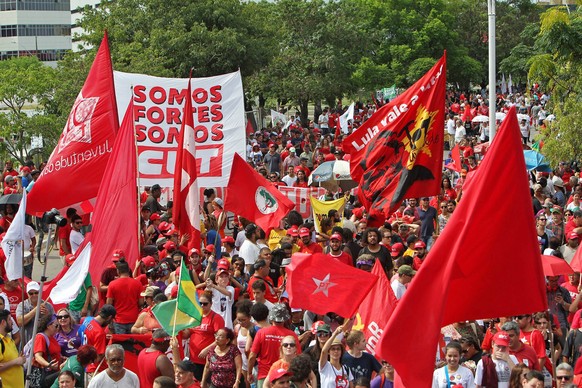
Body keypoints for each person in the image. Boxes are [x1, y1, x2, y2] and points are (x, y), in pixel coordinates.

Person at [248, 304, 300, 387]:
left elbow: (252, 356)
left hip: (264, 376)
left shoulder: (262, 332)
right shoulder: (292, 335)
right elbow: (298, 357)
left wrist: (249, 373)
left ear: (271, 318)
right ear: (285, 318)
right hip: (285, 378)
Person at [183, 291, 226, 381]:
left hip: (207, 359)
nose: (202, 306)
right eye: (200, 303)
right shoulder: (195, 317)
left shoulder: (216, 318)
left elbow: (220, 339)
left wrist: (207, 349)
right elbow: (186, 335)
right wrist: (182, 327)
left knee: (206, 383)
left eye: (205, 304)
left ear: (211, 304)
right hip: (193, 358)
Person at [106, 261, 143, 334]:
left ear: (118, 271)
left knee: (121, 343)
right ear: (129, 270)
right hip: (134, 318)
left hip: (119, 319)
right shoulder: (137, 283)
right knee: (133, 344)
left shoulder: (112, 284)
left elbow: (109, 303)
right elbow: (141, 302)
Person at [16, 281, 55, 347]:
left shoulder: (48, 306)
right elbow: (20, 322)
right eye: (31, 293)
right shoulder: (22, 305)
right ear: (27, 294)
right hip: (26, 343)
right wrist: (35, 311)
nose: (34, 295)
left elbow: (55, 325)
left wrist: (47, 316)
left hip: (43, 343)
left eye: (36, 293)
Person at [80, 304, 116, 374]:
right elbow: (97, 359)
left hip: (84, 364)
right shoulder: (99, 333)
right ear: (109, 317)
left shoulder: (87, 320)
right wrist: (108, 348)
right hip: (93, 369)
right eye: (111, 320)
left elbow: (78, 334)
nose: (110, 322)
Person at [30, 314, 62, 388]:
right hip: (43, 374)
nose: (58, 328)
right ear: (48, 326)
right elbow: (37, 356)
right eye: (56, 326)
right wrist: (48, 365)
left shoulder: (52, 338)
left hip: (51, 373)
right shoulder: (40, 337)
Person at [0, 308, 25, 388]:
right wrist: (16, 361)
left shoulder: (9, 339)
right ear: (3, 322)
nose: (12, 323)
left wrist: (20, 359)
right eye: (10, 320)